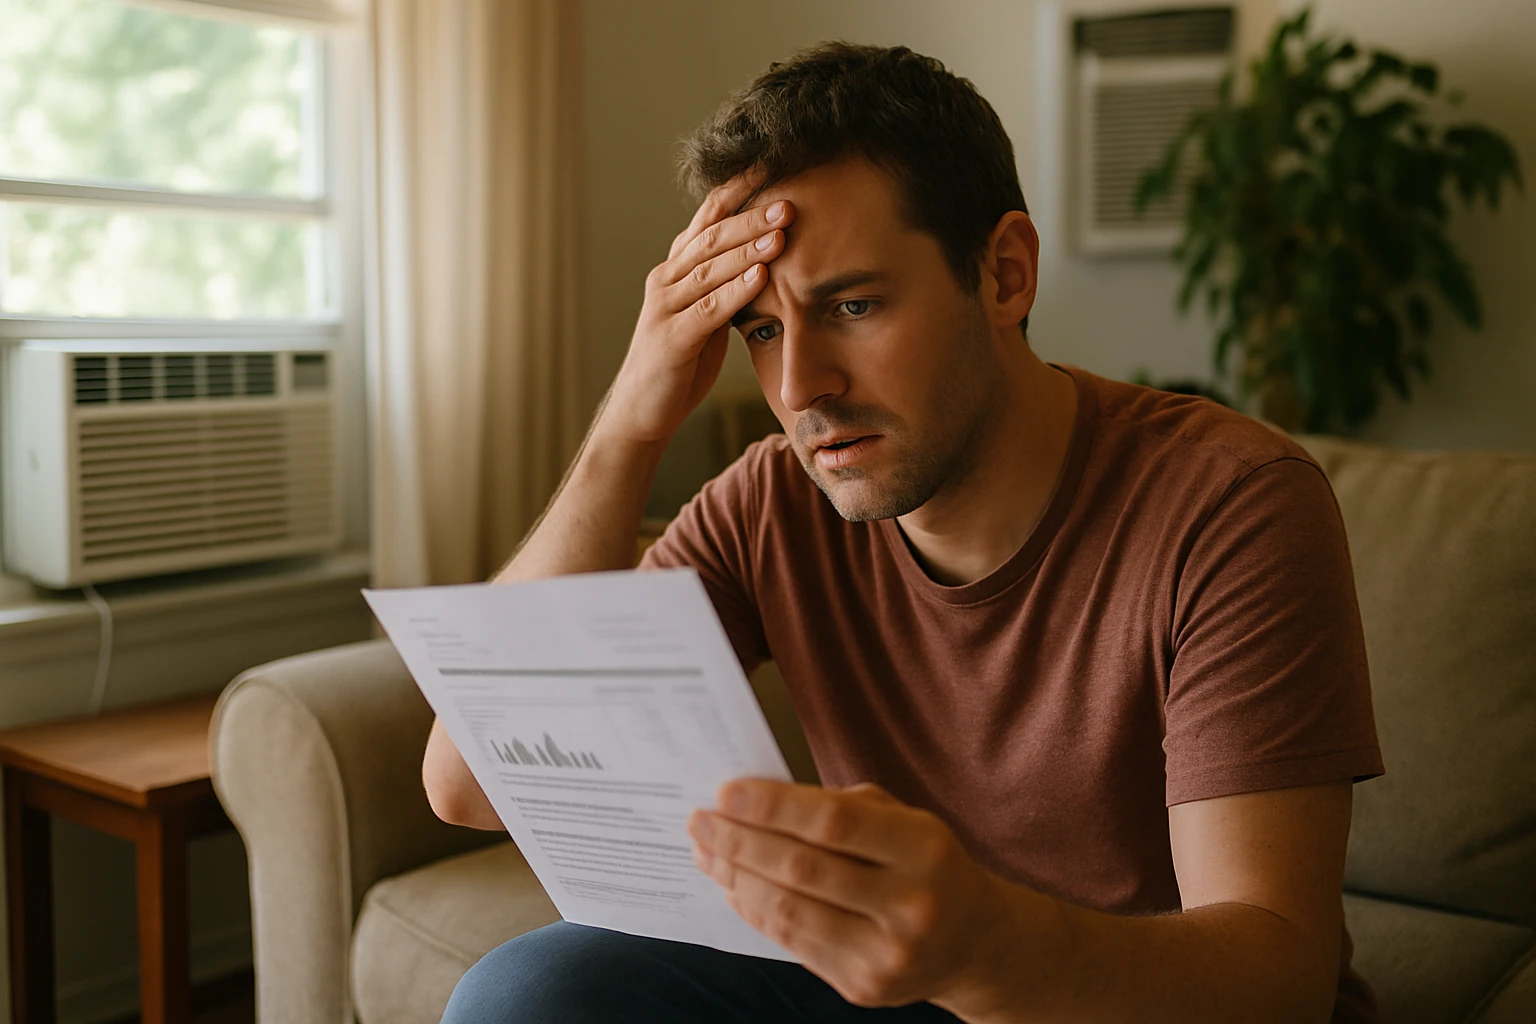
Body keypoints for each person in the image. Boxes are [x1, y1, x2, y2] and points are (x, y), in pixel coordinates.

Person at [423, 42, 1384, 1023]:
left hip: (1124, 999)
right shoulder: (771, 503)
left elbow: (1280, 976)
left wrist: (985, 944)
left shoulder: (1232, 502)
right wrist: (630, 423)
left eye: (852, 304)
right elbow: (468, 782)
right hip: (898, 990)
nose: (801, 389)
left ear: (1005, 274)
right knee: (528, 993)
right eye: (759, 329)